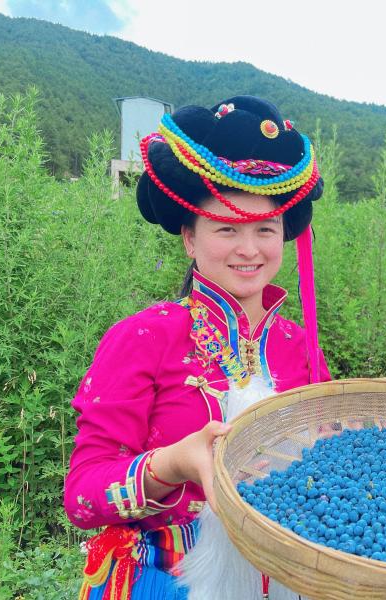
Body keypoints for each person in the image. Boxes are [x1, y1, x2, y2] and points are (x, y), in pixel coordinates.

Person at [64, 96, 329, 600]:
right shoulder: (144, 337)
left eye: (265, 229)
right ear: (189, 237)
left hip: (287, 580)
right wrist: (171, 465)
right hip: (167, 580)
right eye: (226, 228)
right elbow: (82, 496)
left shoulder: (300, 346)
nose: (249, 249)